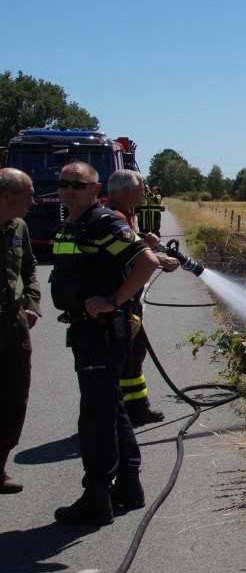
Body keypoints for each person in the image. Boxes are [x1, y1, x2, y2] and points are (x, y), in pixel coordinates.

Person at [49, 161, 161, 525]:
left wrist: (114, 300)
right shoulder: (73, 223)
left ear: (95, 189)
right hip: (86, 329)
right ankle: (128, 486)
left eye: (77, 185)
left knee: (95, 417)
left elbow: (146, 263)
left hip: (102, 332)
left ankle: (96, 497)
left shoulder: (104, 223)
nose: (68, 190)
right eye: (64, 183)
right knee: (111, 408)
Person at [106, 170, 180, 426]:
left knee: (134, 354)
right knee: (124, 357)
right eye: (141, 191)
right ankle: (120, 413)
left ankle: (137, 408)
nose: (144, 195)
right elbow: (127, 256)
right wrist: (160, 259)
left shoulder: (127, 215)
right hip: (121, 302)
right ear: (125, 192)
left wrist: (144, 241)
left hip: (129, 301)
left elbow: (130, 248)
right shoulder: (114, 218)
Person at [0, 168, 40, 494]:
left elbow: (29, 267)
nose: (33, 201)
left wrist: (32, 303)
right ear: (5, 196)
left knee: (14, 398)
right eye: (28, 195)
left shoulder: (19, 227)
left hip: (12, 325)